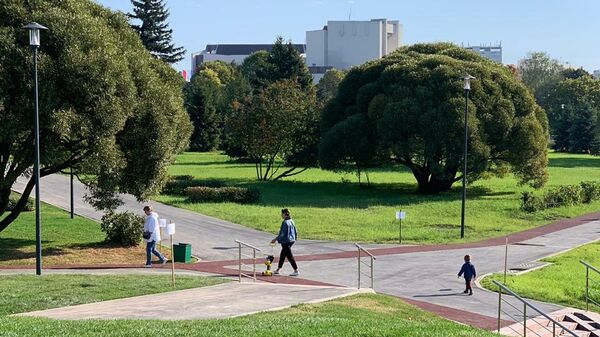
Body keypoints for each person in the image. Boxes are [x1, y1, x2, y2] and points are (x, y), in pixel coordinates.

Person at [271, 208, 298, 276]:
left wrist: (275, 239)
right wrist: (295, 238)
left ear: (284, 214)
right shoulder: (291, 221)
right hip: (292, 240)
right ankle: (278, 269)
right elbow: (295, 231)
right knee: (283, 255)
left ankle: (296, 270)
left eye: (282, 214)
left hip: (286, 241)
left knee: (289, 256)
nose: (281, 215)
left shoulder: (285, 222)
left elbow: (282, 234)